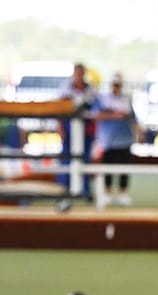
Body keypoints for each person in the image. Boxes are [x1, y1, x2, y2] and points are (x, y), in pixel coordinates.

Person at [92, 73, 138, 207]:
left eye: (118, 85)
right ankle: (107, 193)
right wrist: (114, 115)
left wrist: (138, 132)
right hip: (108, 140)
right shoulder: (103, 100)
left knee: (124, 167)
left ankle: (123, 194)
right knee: (108, 167)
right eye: (114, 85)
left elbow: (133, 118)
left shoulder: (126, 100)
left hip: (125, 139)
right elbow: (96, 115)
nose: (116, 87)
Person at [57, 62, 96, 199]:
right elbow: (60, 109)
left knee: (84, 158)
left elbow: (94, 110)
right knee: (66, 157)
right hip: (69, 125)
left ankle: (84, 190)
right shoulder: (66, 88)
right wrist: (60, 127)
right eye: (77, 73)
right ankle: (63, 189)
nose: (79, 76)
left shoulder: (90, 89)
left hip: (85, 126)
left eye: (81, 73)